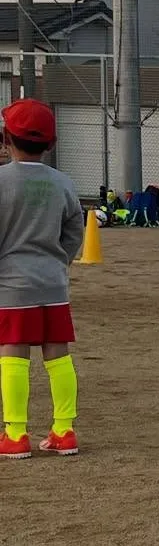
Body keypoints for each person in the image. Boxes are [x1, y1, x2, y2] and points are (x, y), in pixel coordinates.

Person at [0, 99, 84, 459]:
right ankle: (64, 430)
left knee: (13, 353)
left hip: (11, 284)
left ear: (5, 138)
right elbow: (75, 229)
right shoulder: (63, 183)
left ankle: (15, 434)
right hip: (53, 283)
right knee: (58, 354)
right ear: (52, 144)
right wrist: (59, 260)